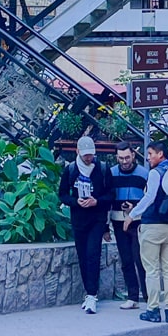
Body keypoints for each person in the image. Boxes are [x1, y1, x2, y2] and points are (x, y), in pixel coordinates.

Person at [124, 141, 168, 325]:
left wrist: (133, 215)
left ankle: (153, 309)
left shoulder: (155, 173)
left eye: (151, 153)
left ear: (160, 154)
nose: (148, 157)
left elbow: (149, 197)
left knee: (152, 270)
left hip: (152, 226)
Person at [58, 134, 110, 314]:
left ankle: (92, 294)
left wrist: (96, 201)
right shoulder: (70, 170)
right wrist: (75, 201)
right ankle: (88, 291)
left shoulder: (102, 169)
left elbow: (110, 195)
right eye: (86, 155)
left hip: (97, 218)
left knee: (93, 253)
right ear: (78, 152)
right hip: (79, 219)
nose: (89, 158)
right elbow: (62, 194)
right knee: (82, 255)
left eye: (91, 155)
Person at [107, 142, 149, 309]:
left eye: (127, 157)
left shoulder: (144, 174)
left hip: (138, 221)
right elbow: (107, 199)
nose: (124, 161)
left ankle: (148, 296)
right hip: (118, 221)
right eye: (121, 158)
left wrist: (134, 208)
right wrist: (105, 226)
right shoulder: (110, 173)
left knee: (141, 260)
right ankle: (132, 297)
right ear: (116, 157)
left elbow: (149, 199)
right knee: (126, 260)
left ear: (133, 155)